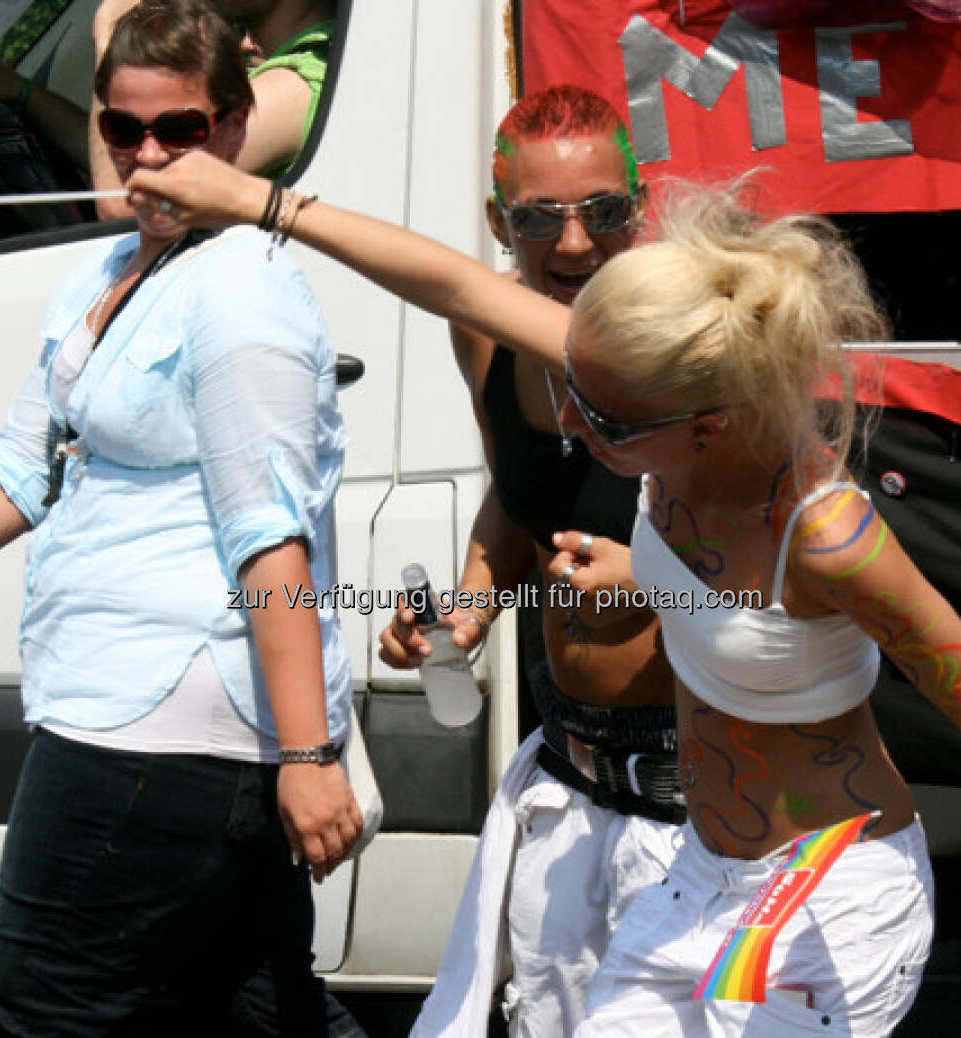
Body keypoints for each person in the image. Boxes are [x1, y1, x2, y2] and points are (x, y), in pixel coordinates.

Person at [123, 148, 961, 1033]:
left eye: (604, 420)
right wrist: (258, 200)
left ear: (706, 425)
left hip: (823, 886)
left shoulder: (826, 533)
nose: (578, 430)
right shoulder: (657, 411)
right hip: (700, 877)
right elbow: (454, 282)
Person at [0, 3, 364, 1034]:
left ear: (238, 131)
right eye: (123, 129)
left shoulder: (238, 295)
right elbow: (23, 462)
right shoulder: (113, 271)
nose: (148, 156)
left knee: (40, 1008)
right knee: (256, 1010)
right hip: (144, 719)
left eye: (180, 131)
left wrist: (308, 757)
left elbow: (271, 538)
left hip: (158, 728)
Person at [373, 86, 681, 1036]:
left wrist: (660, 581)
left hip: (700, 800)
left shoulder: (690, 334)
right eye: (541, 218)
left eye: (605, 212)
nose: (578, 243)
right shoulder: (486, 331)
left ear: (642, 206)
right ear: (499, 220)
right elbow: (519, 494)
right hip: (568, 780)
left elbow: (788, 568)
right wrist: (467, 613)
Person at [91, 0, 335, 219]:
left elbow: (124, 204)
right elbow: (126, 153)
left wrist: (111, 43)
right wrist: (52, 111)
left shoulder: (301, 81)